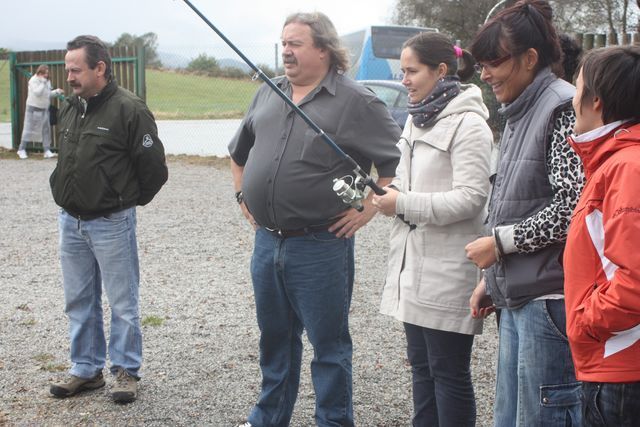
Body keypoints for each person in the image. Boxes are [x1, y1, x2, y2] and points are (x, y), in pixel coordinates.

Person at [228, 12, 400, 427]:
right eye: (283, 42)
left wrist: (366, 208)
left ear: (323, 48)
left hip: (321, 245)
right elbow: (238, 153)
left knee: (329, 347)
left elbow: (397, 161)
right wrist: (241, 194)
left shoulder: (356, 100)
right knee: (275, 341)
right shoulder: (268, 93)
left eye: (296, 43)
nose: (286, 50)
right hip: (268, 242)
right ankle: (269, 418)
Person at [463, 0, 585, 425]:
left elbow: (573, 206)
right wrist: (491, 282)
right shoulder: (520, 107)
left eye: (493, 62)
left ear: (530, 58)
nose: (485, 74)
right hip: (520, 295)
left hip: (551, 301)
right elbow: (515, 200)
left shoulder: (561, 106)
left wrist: (499, 245)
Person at [373, 32, 492, 427]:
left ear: (441, 71)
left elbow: (472, 198)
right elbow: (411, 186)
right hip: (412, 269)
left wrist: (402, 203)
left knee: (448, 373)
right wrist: (389, 194)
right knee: (421, 369)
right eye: (401, 71)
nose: (404, 79)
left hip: (447, 273)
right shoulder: (416, 116)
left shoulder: (470, 125)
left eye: (411, 71)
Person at [48, 35, 168, 403]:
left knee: (123, 302)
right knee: (79, 301)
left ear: (100, 68)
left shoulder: (129, 109)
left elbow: (154, 170)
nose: (69, 76)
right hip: (71, 222)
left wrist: (124, 202)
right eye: (67, 69)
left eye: (76, 69)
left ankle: (125, 371)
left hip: (111, 223)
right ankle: (86, 370)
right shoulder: (72, 106)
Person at [564, 45, 640, 426]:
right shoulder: (619, 161)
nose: (571, 99)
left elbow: (635, 280)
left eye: (576, 88)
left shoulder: (625, 167)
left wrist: (585, 323)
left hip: (619, 367)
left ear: (595, 100)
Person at [17, 64, 63, 159]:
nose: (46, 75)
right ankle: (21, 149)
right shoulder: (33, 80)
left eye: (47, 73)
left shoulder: (46, 81)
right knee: (28, 129)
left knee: (46, 130)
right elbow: (37, 93)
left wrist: (56, 92)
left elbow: (47, 94)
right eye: (44, 73)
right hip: (33, 108)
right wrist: (42, 83)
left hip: (44, 109)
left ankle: (47, 151)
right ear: (39, 72)